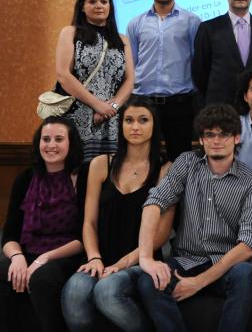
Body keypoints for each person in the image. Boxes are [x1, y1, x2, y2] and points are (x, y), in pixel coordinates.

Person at [101, 104, 252, 332]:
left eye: (224, 134)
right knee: (150, 279)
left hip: (225, 264)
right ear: (201, 139)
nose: (216, 140)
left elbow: (248, 245)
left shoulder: (251, 183)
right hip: (185, 260)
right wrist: (146, 259)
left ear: (236, 138)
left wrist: (198, 283)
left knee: (245, 272)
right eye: (209, 134)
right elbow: (153, 203)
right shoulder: (187, 163)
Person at [60, 96, 171, 332]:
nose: (135, 127)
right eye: (129, 120)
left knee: (107, 292)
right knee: (74, 291)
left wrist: (121, 265)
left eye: (143, 120)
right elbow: (88, 222)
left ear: (154, 125)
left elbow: (160, 235)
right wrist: (94, 258)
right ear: (120, 125)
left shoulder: (165, 170)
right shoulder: (101, 164)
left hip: (140, 260)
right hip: (100, 257)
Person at [0, 117, 85, 332]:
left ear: (71, 144)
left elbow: (84, 238)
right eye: (45, 139)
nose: (51, 145)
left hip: (66, 255)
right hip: (29, 252)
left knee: (41, 280)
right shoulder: (25, 179)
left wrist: (43, 260)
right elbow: (9, 235)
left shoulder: (82, 178)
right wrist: (17, 258)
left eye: (59, 139)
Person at [126, 0, 202, 162]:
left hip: (179, 103)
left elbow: (197, 61)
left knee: (180, 160)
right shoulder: (136, 23)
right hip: (143, 102)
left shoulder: (192, 21)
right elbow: (132, 64)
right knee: (142, 159)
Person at [55, 0, 135, 162]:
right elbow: (63, 75)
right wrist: (98, 106)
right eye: (92, 1)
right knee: (74, 171)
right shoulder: (70, 33)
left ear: (110, 7)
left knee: (104, 174)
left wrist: (111, 108)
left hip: (110, 120)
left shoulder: (122, 40)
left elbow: (129, 80)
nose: (99, 5)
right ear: (82, 7)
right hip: (76, 115)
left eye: (103, 2)